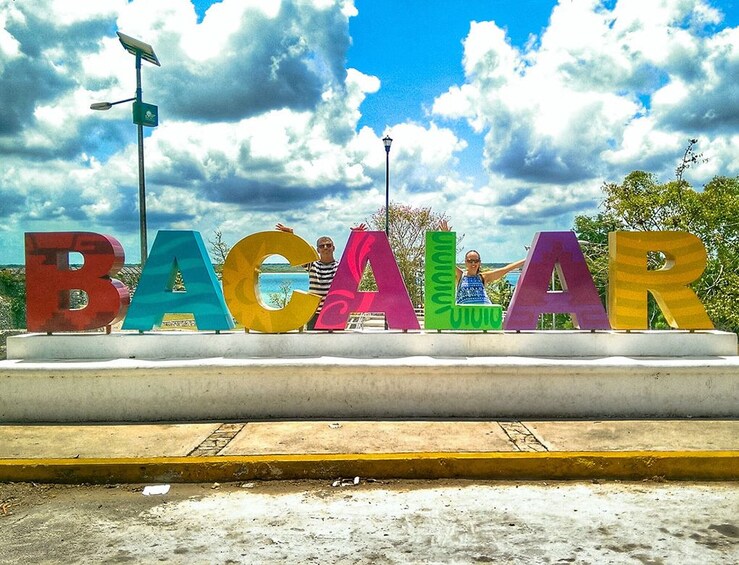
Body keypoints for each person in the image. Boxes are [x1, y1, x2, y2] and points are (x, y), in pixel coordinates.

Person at [275, 222, 366, 330]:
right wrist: (291, 236)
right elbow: (297, 252)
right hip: (314, 315)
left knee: (338, 346)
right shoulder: (311, 265)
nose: (325, 247)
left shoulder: (340, 268)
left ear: (333, 248)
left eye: (328, 245)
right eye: (322, 246)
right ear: (318, 250)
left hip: (335, 314)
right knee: (313, 346)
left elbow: (360, 261)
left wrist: (359, 236)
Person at [440, 220, 525, 305]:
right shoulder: (460, 276)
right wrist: (446, 237)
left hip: (483, 315)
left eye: (476, 261)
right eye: (470, 261)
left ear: (479, 262)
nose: (473, 263)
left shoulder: (483, 277)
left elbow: (506, 269)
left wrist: (526, 259)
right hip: (464, 315)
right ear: (465, 262)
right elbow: (447, 260)